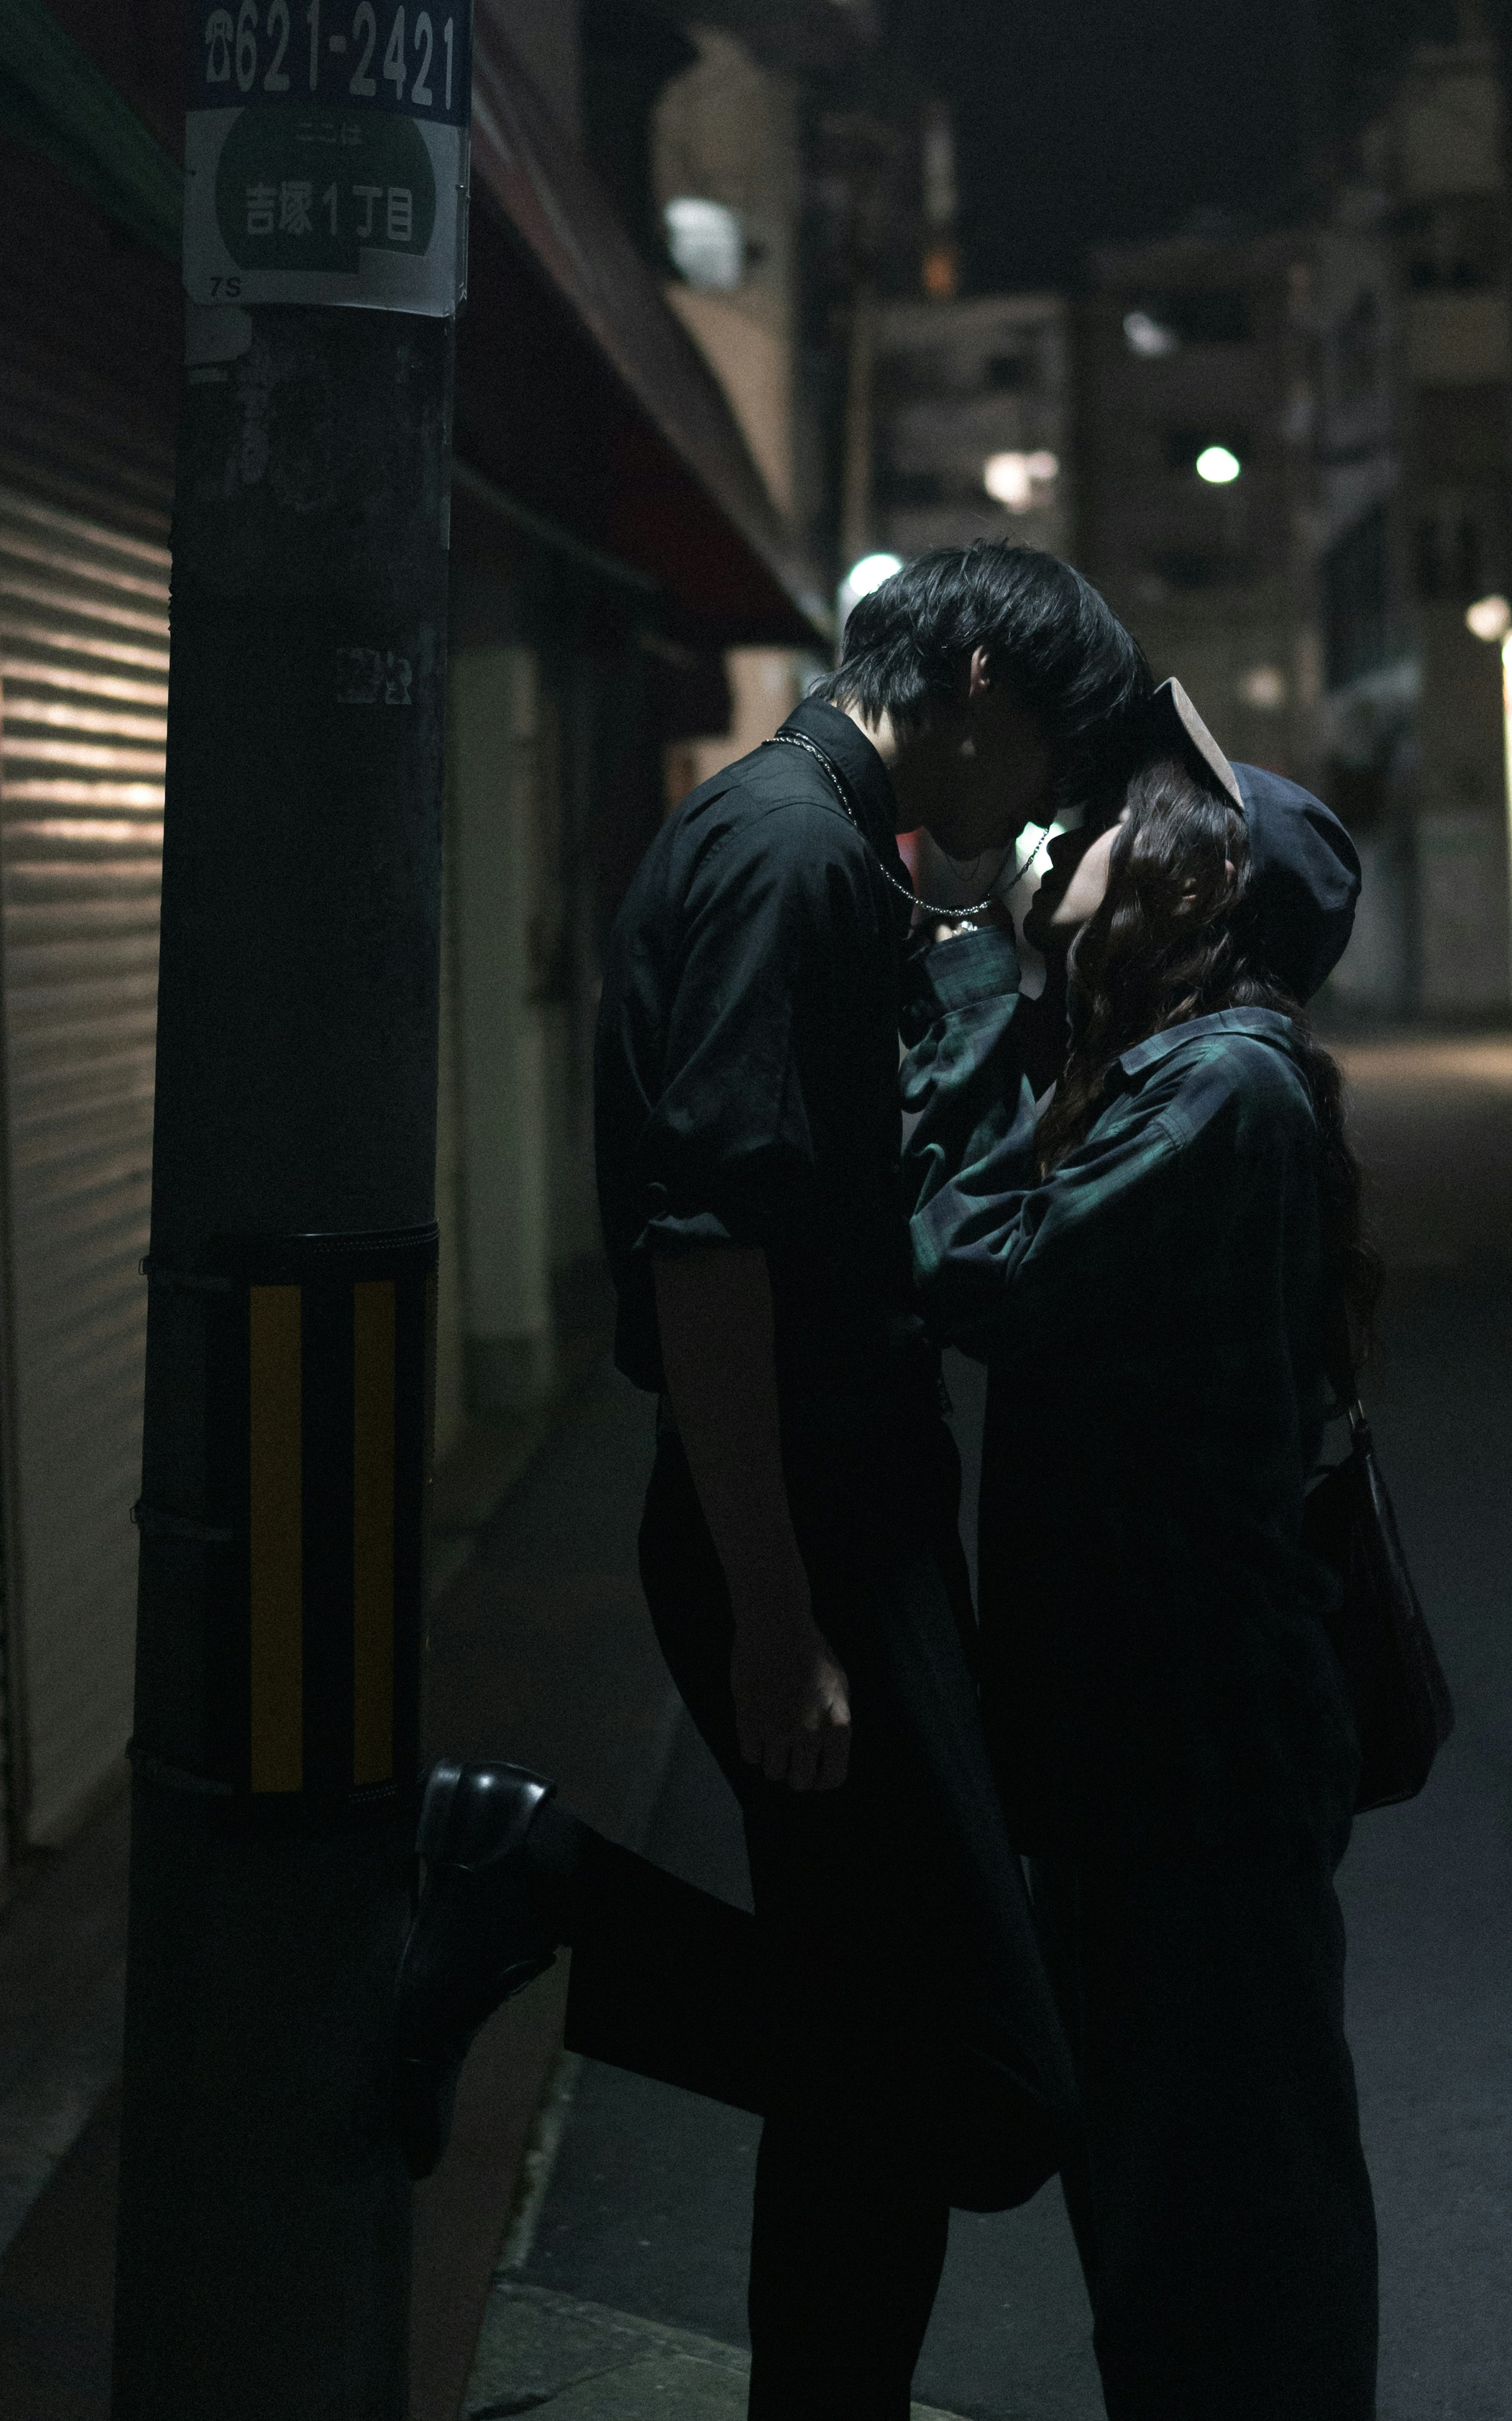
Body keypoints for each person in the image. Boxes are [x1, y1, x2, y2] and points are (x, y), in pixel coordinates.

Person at [395, 542, 1151, 2419]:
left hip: (836, 1512)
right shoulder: (795, 854)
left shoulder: (818, 842)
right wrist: (778, 1610)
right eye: (1047, 751)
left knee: (862, 2034)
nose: (1043, 798)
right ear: (972, 678)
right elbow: (711, 1248)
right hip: (810, 1526)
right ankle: (540, 1884)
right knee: (992, 2081)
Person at [898, 679, 1381, 2420]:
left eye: (1111, 822)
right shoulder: (1172, 1078)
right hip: (1162, 1749)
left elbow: (982, 1271)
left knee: (1222, 2238)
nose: (1068, 837)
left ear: (1190, 879)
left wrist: (974, 969)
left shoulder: (1218, 1095)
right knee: (1189, 2218)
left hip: (1191, 1758)